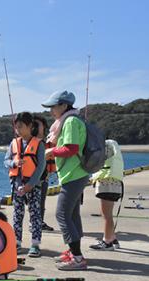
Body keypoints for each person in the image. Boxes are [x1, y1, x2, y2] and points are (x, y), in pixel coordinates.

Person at [43, 90, 89, 270]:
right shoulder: (71, 120)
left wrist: (50, 152)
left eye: (53, 106)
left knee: (61, 214)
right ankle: (74, 251)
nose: (51, 110)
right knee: (72, 214)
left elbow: (70, 148)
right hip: (75, 174)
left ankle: (77, 258)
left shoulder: (70, 122)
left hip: (74, 175)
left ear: (63, 105)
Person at [4, 112, 46, 257]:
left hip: (33, 185)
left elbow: (41, 167)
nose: (18, 130)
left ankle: (35, 244)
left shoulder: (39, 144)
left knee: (35, 213)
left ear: (30, 126)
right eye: (16, 127)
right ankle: (17, 242)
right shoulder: (13, 143)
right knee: (17, 213)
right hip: (16, 184)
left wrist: (31, 184)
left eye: (20, 126)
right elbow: (6, 161)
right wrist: (14, 163)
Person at [90, 139, 124, 250]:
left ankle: (107, 242)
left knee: (106, 215)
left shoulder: (105, 146)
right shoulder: (114, 147)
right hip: (116, 183)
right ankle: (113, 238)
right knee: (107, 213)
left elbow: (99, 162)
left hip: (106, 183)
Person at [32, 115, 56, 232]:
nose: (35, 127)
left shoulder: (48, 141)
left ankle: (39, 222)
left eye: (38, 125)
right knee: (35, 202)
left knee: (41, 202)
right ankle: (35, 223)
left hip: (45, 177)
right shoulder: (30, 142)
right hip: (33, 178)